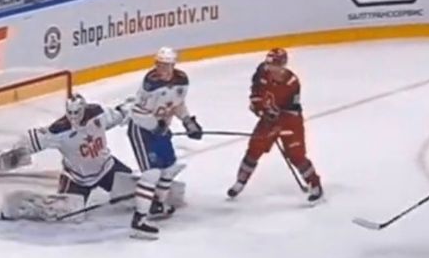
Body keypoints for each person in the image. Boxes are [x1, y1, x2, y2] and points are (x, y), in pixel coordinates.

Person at [0, 94, 143, 221]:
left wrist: (137, 106)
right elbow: (35, 139)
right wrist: (14, 153)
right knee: (68, 213)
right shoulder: (60, 130)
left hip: (107, 168)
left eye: (76, 112)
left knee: (136, 195)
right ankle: (23, 206)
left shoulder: (97, 114)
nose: (73, 117)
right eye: (70, 112)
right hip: (77, 179)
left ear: (83, 109)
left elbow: (119, 113)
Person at [125, 46, 203, 239]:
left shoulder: (181, 81)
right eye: (160, 64)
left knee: (169, 168)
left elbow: (177, 104)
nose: (163, 69)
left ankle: (157, 204)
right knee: (151, 174)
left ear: (173, 65)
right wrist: (155, 125)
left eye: (167, 65)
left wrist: (188, 122)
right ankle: (138, 222)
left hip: (161, 130)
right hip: (142, 130)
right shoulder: (150, 84)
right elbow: (138, 112)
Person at [226, 48, 323, 203]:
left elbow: (292, 109)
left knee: (296, 155)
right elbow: (256, 94)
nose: (271, 68)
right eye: (269, 64)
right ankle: (240, 182)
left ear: (283, 65)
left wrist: (278, 124)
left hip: (290, 121)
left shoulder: (292, 83)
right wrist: (260, 109)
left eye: (275, 65)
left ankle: (315, 184)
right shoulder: (261, 73)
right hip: (268, 119)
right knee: (254, 148)